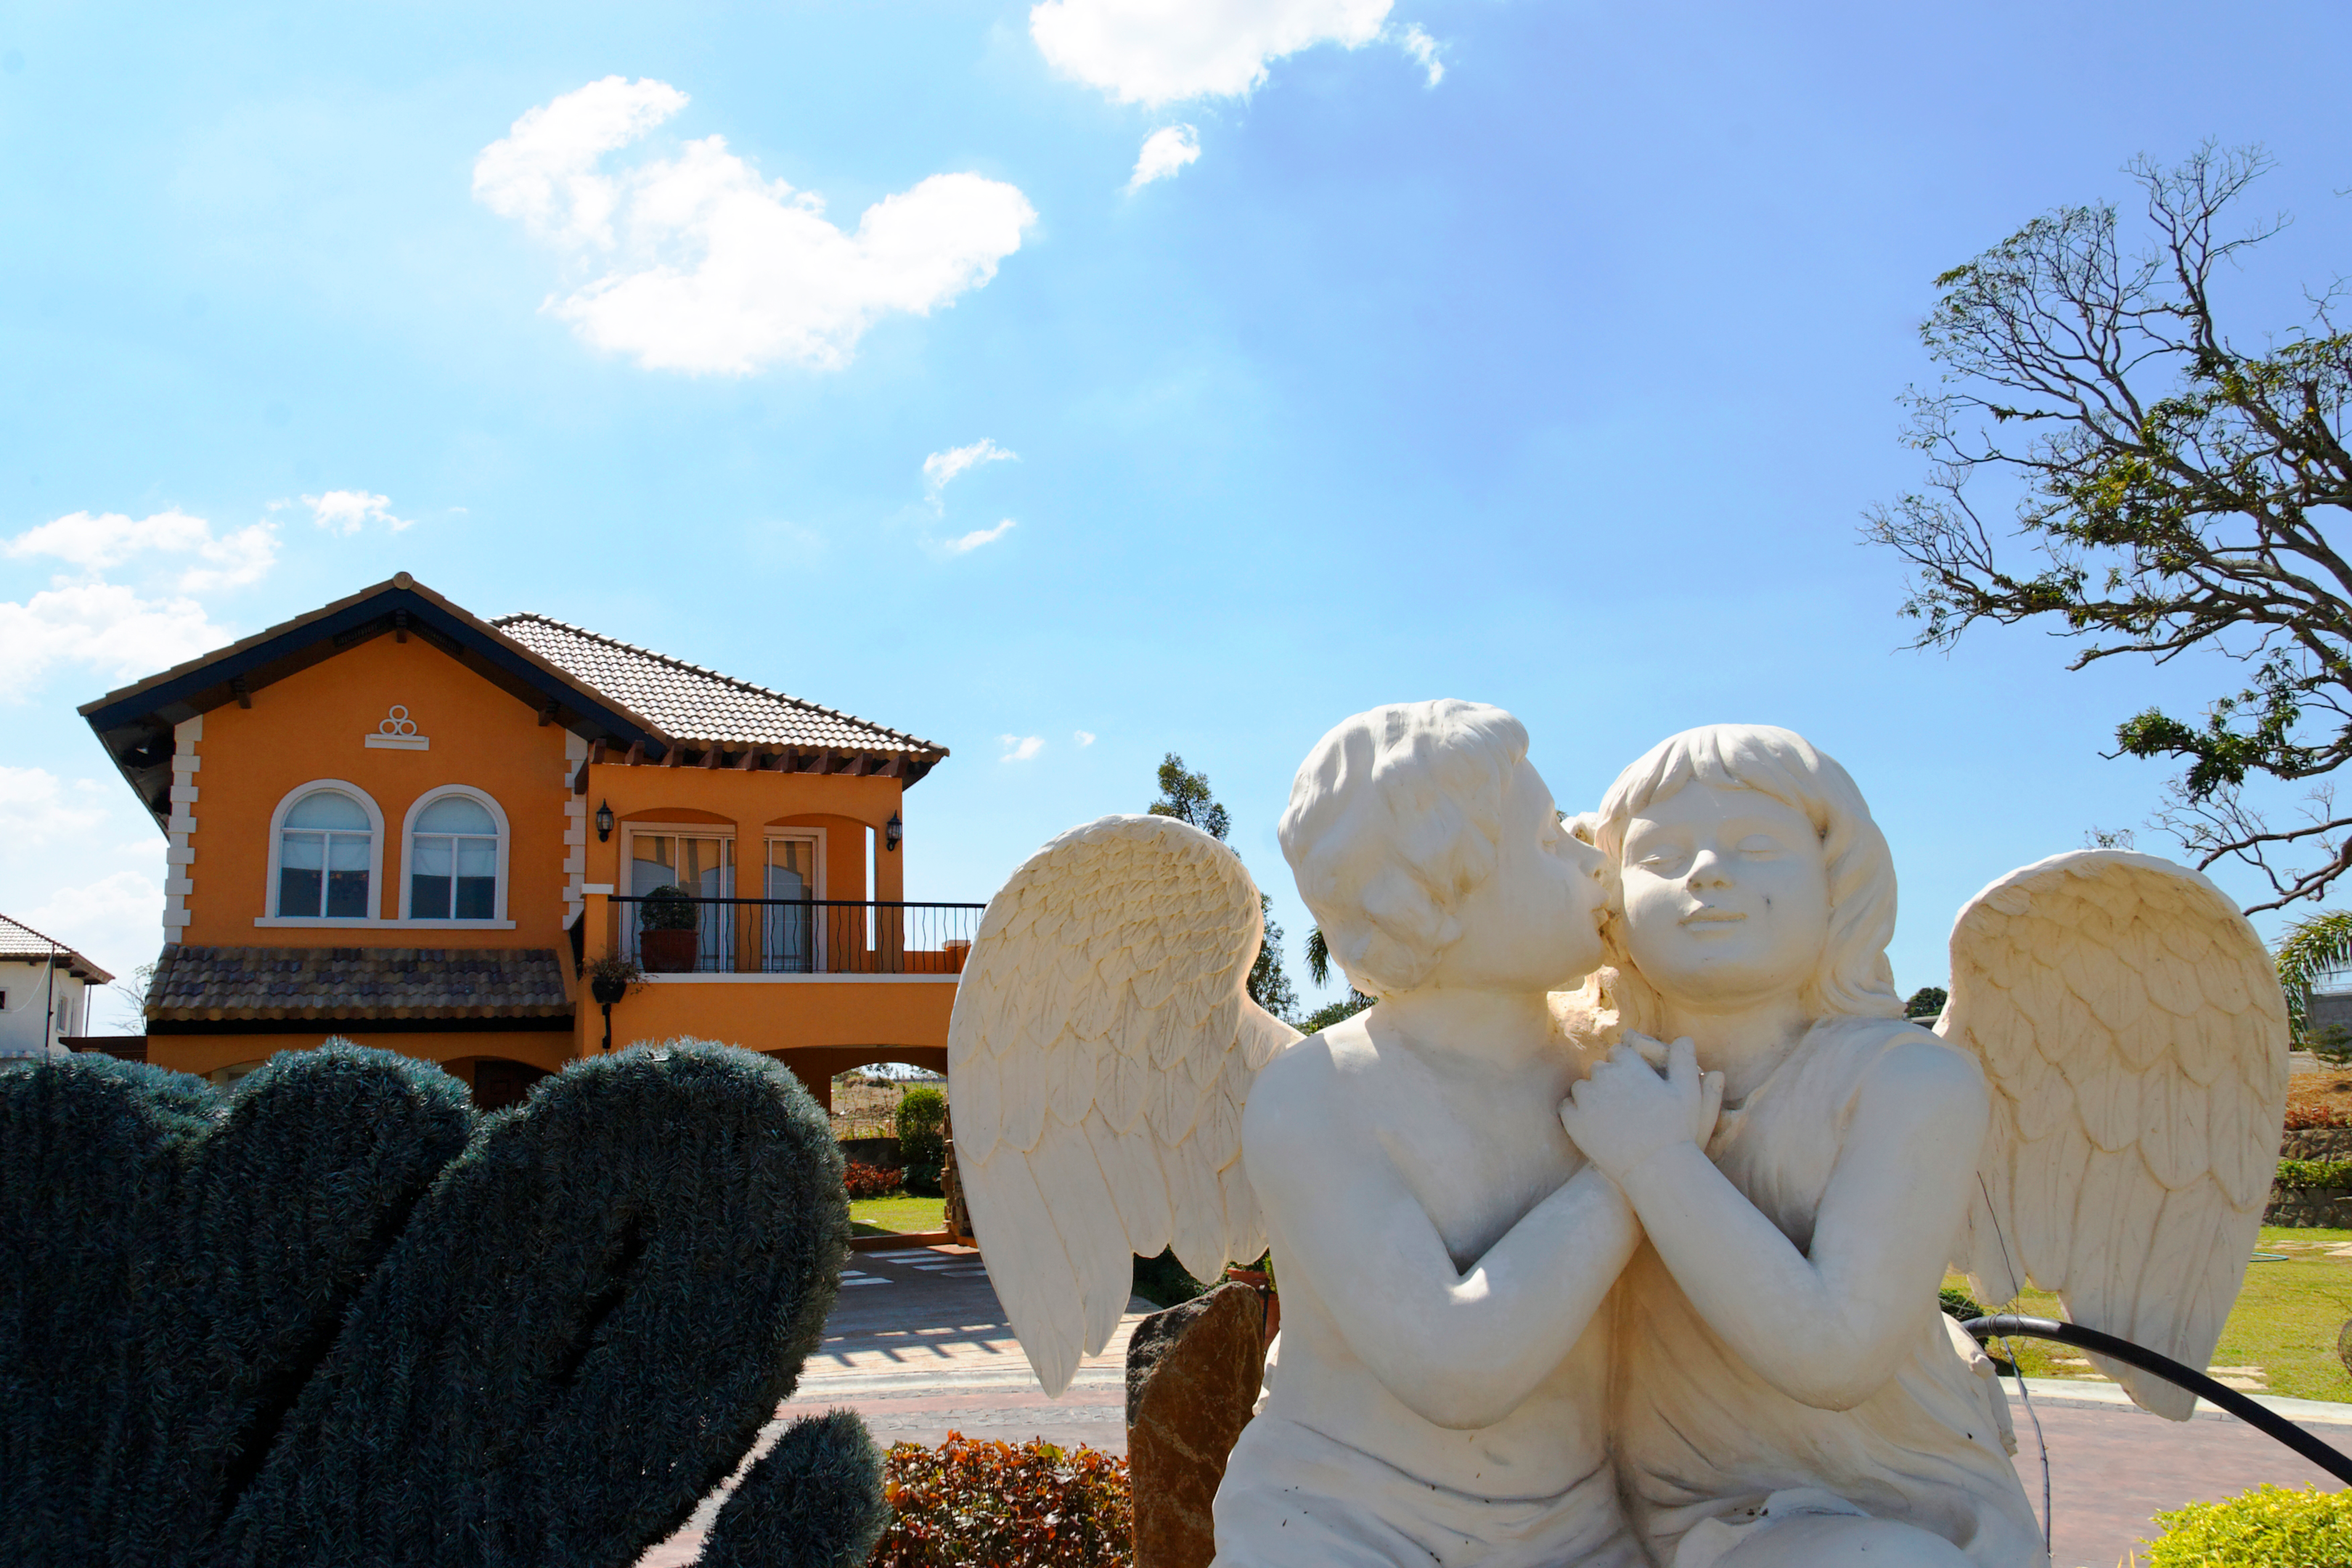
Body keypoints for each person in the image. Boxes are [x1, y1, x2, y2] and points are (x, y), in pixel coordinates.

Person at [1214, 700, 1696, 1568]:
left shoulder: (1609, 1068)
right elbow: (1454, 1365)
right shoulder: (1319, 1094)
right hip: (1343, 1519)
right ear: (1438, 887)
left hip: (1580, 1527)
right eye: (1552, 842)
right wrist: (1637, 1169)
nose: (1595, 861)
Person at [1560, 724, 2043, 1568]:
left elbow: (1837, 1354)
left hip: (1881, 1491)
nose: (1708, 872)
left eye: (1756, 848)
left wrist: (1656, 1161)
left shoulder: (1907, 1082)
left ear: (1838, 886)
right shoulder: (1580, 1074)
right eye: (1663, 857)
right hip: (1645, 1502)